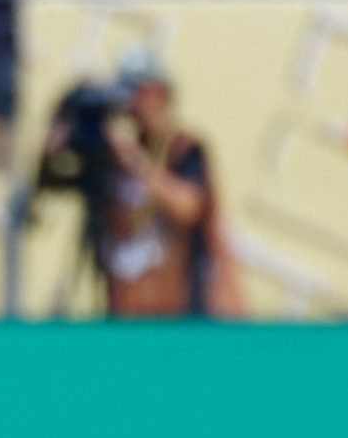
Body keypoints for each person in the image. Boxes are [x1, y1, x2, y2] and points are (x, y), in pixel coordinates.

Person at [96, 64, 242, 317]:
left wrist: (135, 161)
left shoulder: (185, 148)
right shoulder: (116, 156)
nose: (130, 105)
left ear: (160, 95)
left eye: (137, 93)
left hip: (184, 309)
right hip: (131, 309)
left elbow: (188, 207)